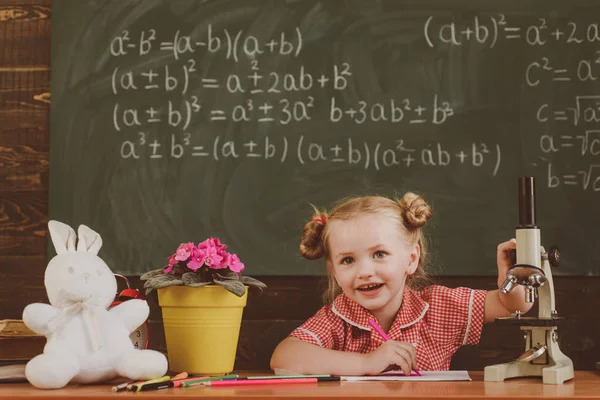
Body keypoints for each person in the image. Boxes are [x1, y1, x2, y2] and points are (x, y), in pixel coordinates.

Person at [270, 192, 532, 376]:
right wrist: (365, 363)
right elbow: (284, 356)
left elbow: (509, 304)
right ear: (334, 270)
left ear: (411, 259)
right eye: (348, 260)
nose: (364, 271)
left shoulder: (439, 307)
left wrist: (513, 279)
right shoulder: (335, 319)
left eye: (379, 254)